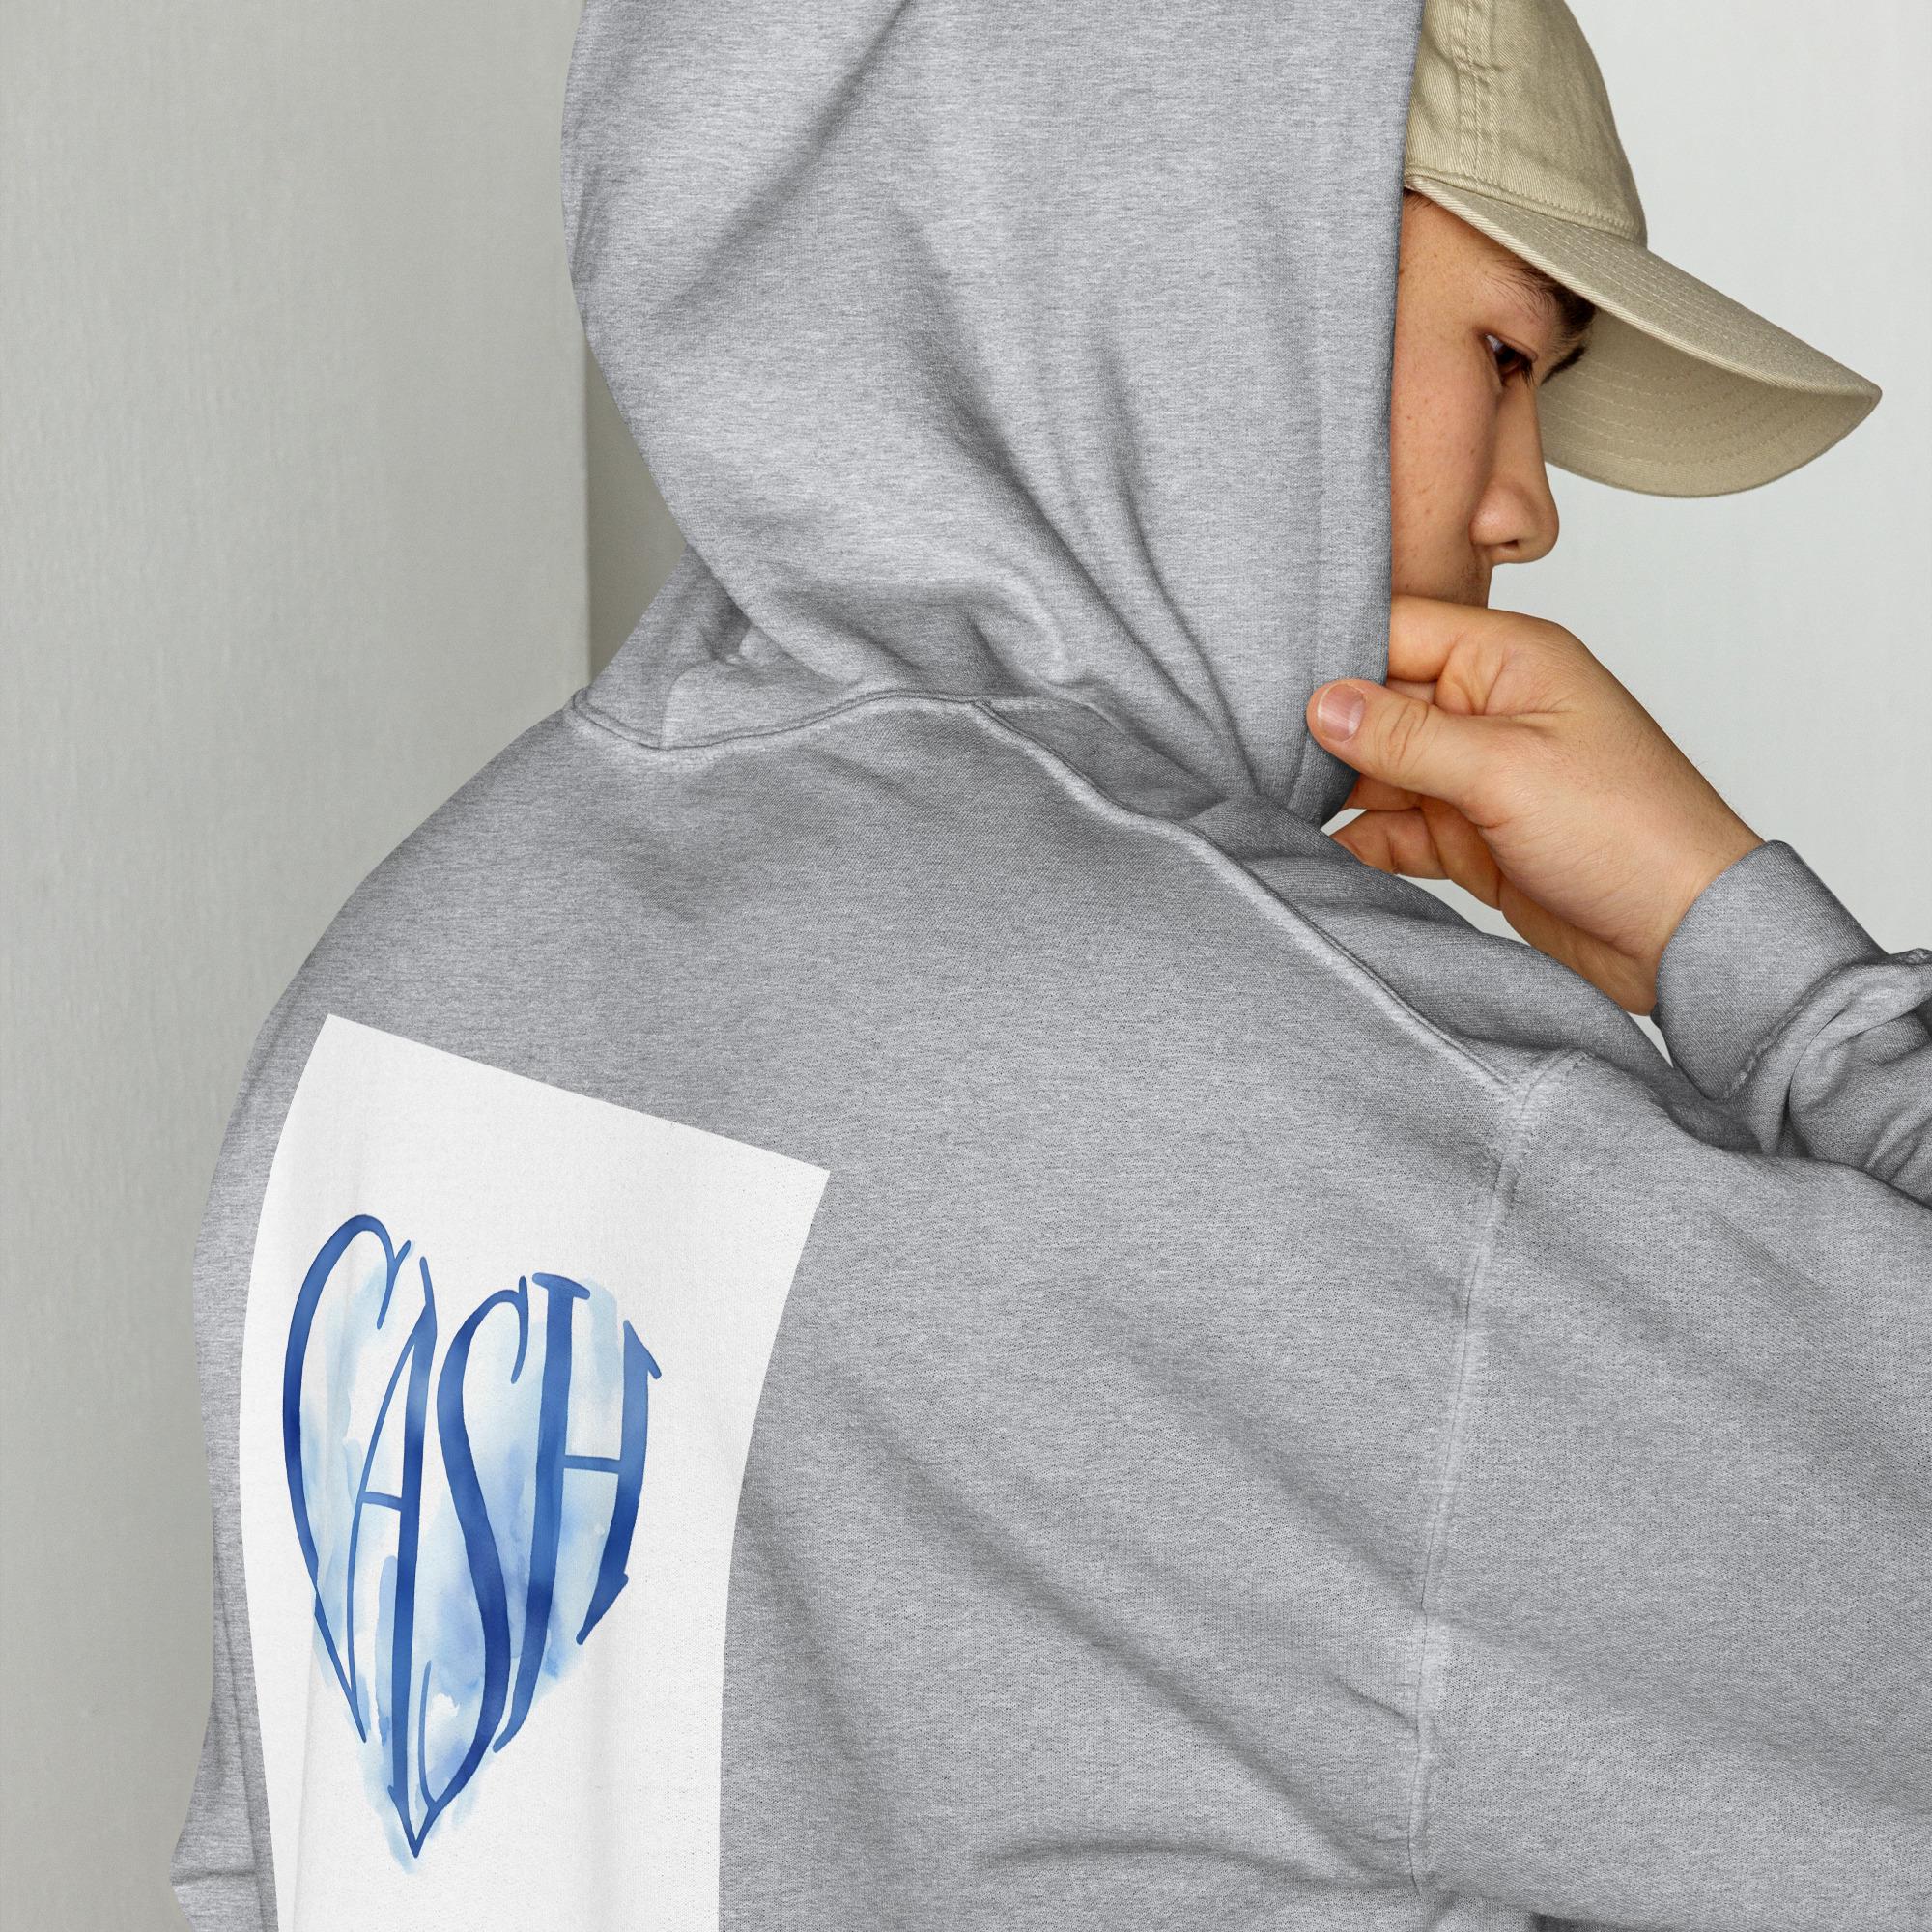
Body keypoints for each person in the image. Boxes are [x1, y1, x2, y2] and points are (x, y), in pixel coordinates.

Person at [170, 1, 1929, 1929]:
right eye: (1504, 355)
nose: (1529, 504)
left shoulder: (407, 971)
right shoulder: (1344, 1126)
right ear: (1186, 258)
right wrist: (1744, 947)